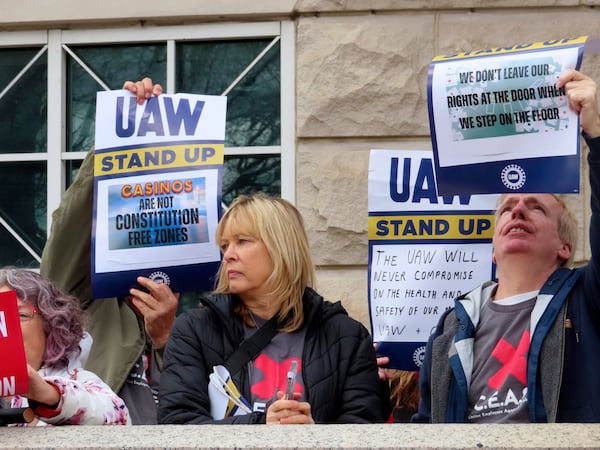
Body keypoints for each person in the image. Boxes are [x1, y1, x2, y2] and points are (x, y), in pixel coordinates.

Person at [413, 69, 600, 423]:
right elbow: (427, 426)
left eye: (536, 207)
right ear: (493, 249)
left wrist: (597, 132)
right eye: (506, 208)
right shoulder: (451, 325)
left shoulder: (587, 298)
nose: (517, 210)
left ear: (564, 246)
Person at [155, 194, 390, 424]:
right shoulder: (194, 330)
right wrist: (261, 426)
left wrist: (313, 435)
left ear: (281, 247)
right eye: (225, 246)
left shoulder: (346, 336)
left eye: (242, 241)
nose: (228, 255)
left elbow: (364, 430)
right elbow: (177, 423)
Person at [39, 78, 177, 425]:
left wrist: (165, 340)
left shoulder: (196, 322)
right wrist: (117, 141)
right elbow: (70, 233)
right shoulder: (82, 303)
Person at [0, 268, 129, 426]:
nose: (6, 326)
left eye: (21, 315)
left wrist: (53, 395)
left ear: (51, 324)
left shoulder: (75, 380)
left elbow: (118, 415)